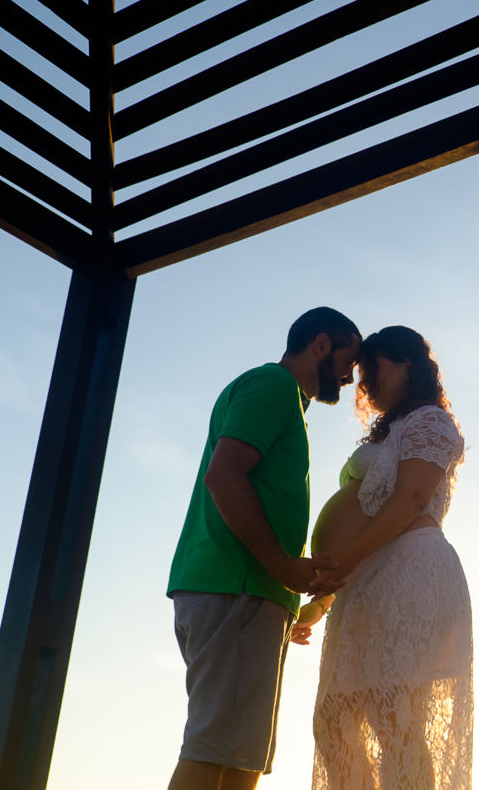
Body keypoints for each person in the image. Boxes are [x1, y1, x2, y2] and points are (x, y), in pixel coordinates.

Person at [166, 307, 362, 790]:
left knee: (241, 758)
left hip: (246, 591)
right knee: (217, 752)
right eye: (347, 360)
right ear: (320, 345)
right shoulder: (273, 387)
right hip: (239, 587)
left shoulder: (282, 397)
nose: (350, 375)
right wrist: (279, 566)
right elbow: (223, 474)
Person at [295, 325, 472, 790]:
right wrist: (322, 603)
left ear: (406, 364)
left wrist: (344, 557)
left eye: (372, 367)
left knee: (392, 714)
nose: (363, 381)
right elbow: (364, 515)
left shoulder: (431, 422)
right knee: (332, 721)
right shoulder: (391, 430)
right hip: (366, 580)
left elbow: (412, 498)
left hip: (410, 569)